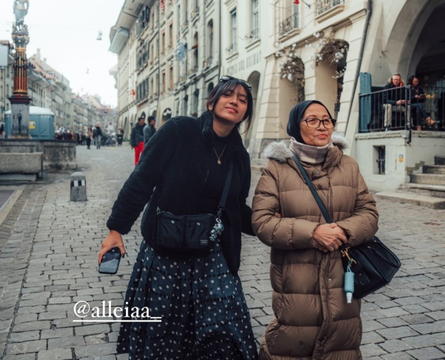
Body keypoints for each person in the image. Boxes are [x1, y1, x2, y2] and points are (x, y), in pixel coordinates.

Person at [98, 76, 258, 360]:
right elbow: (141, 181)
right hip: (165, 255)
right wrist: (116, 230)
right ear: (212, 102)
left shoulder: (239, 157)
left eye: (242, 99)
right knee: (163, 338)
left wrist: (274, 222)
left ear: (247, 112)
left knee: (223, 336)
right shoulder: (179, 130)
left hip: (212, 258)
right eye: (228, 95)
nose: (234, 101)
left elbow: (236, 210)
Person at [251, 100, 379, 360]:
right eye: (312, 120)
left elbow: (369, 213)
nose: (322, 126)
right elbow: (262, 222)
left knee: (342, 345)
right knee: (292, 343)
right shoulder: (277, 168)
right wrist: (313, 233)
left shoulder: (349, 165)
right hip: (296, 279)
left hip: (343, 277)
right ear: (296, 127)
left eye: (327, 120)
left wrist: (342, 231)